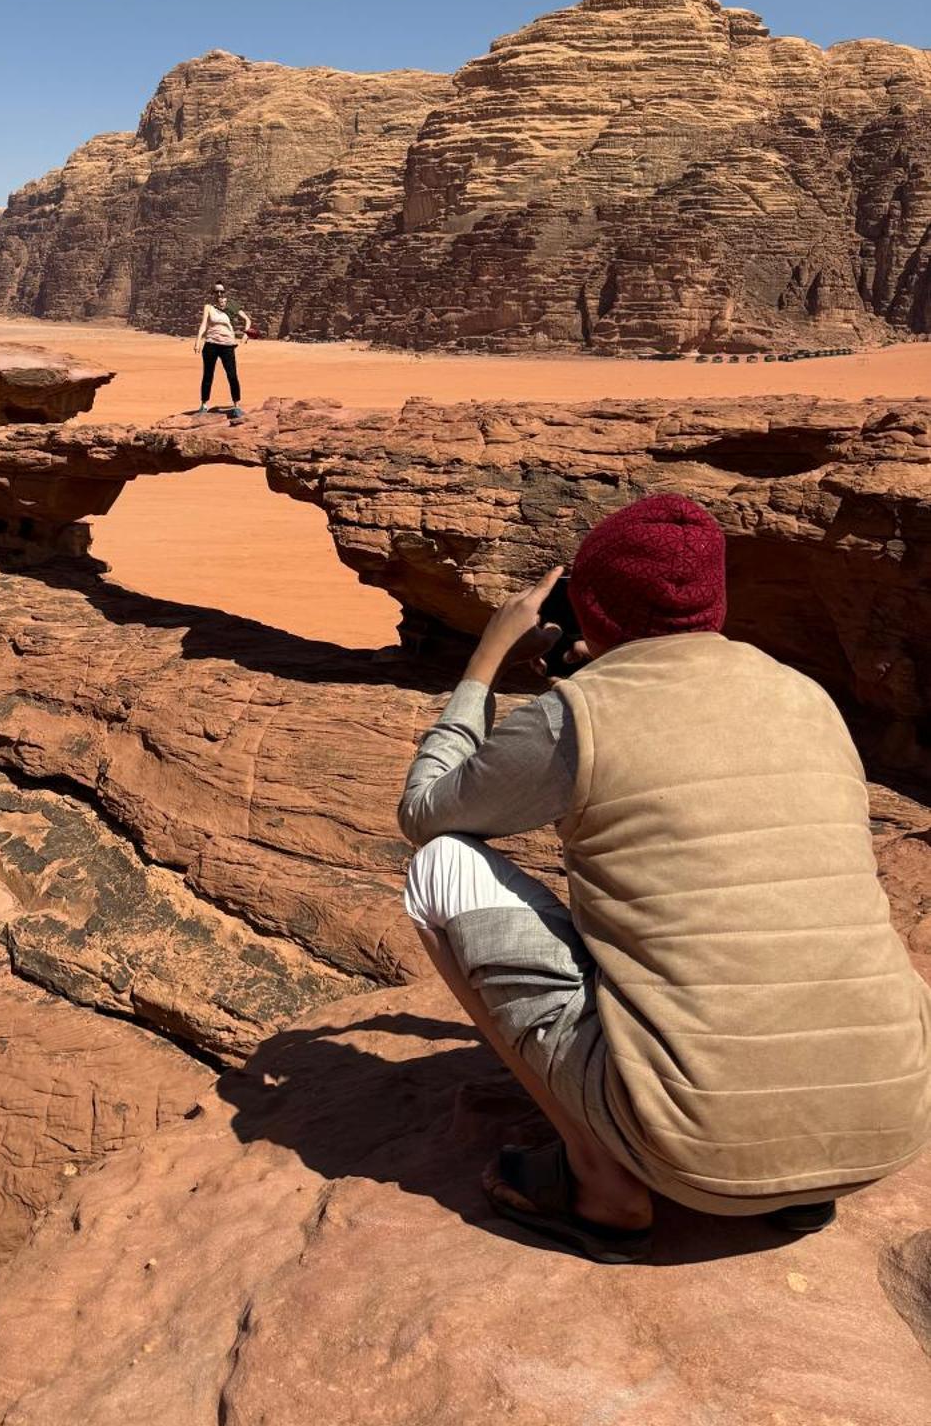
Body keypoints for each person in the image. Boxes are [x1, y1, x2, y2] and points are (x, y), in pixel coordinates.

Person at [398, 493, 931, 1263]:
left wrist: (484, 661)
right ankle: (803, 1183)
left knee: (439, 867)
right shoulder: (804, 696)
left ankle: (600, 1184)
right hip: (889, 1127)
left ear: (590, 609)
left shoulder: (577, 717)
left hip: (697, 1148)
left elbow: (427, 812)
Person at [189, 282, 251, 422]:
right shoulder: (209, 307)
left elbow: (247, 320)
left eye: (221, 292)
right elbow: (204, 324)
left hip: (228, 345)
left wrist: (246, 334)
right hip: (211, 344)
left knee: (232, 375)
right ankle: (204, 405)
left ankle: (236, 405)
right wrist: (198, 341)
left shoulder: (231, 306)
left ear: (225, 292)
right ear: (212, 293)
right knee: (207, 375)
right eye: (216, 292)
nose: (219, 294)